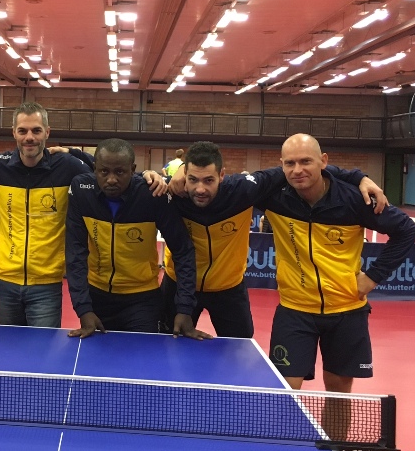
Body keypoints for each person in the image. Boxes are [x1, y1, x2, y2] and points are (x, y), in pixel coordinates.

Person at [0, 102, 168, 328]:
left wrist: (144, 176)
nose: (29, 137)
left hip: (47, 284)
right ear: (14, 133)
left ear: (47, 133)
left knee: (43, 354)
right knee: (9, 351)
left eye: (36, 130)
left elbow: (107, 172)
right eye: (23, 131)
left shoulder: (67, 167)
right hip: (5, 281)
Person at [162, 141, 387, 338]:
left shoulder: (243, 191)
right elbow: (146, 183)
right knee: (165, 345)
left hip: (228, 289)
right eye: (193, 179)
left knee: (240, 352)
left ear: (222, 175)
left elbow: (303, 170)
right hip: (178, 284)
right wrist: (161, 173)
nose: (200, 189)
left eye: (209, 180)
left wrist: (358, 177)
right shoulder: (174, 193)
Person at [260, 134, 415, 405]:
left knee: (338, 391)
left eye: (306, 161)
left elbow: (406, 229)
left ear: (323, 161)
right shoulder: (274, 196)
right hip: (295, 309)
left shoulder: (354, 199)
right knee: (285, 389)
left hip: (346, 311)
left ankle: (335, 436)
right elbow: (229, 189)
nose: (297, 170)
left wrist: (373, 277)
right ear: (281, 165)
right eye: (290, 163)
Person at [65, 138, 207, 339]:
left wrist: (184, 308)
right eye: (104, 171)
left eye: (120, 172)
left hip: (142, 300)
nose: (111, 179)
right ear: (95, 168)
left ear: (132, 170)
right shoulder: (81, 191)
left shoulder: (153, 195)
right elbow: (75, 252)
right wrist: (83, 308)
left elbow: (182, 250)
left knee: (143, 357)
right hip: (96, 296)